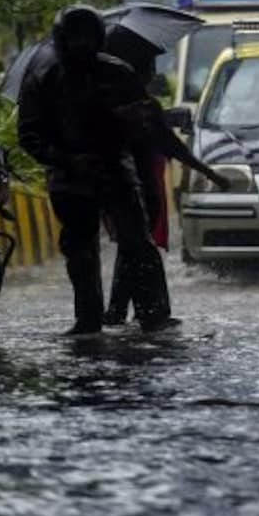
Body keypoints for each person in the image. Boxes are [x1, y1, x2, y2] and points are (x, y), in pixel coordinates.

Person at [17, 5, 178, 334]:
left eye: (88, 38)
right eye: (76, 38)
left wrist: (142, 167)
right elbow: (30, 135)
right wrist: (65, 159)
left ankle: (153, 315)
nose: (82, 45)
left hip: (116, 172)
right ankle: (88, 319)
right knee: (80, 251)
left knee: (138, 244)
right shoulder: (43, 81)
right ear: (63, 41)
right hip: (70, 178)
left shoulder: (118, 73)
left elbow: (144, 125)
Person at [101, 23, 229, 325]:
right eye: (148, 65)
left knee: (132, 249)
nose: (153, 72)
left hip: (123, 189)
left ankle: (118, 310)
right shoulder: (138, 107)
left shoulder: (114, 102)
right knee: (141, 250)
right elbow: (173, 146)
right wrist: (211, 175)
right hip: (134, 189)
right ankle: (151, 312)